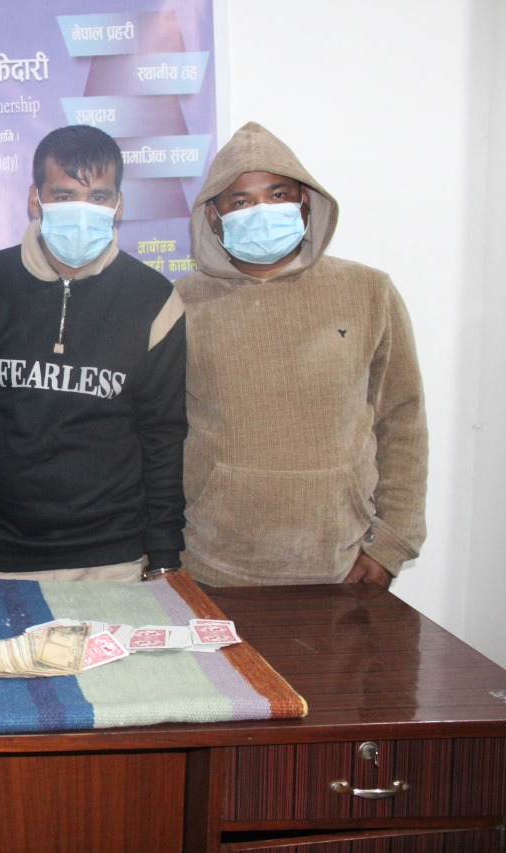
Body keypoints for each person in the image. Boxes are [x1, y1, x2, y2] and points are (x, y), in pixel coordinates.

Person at [0, 125, 187, 584]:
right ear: (35, 199)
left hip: (114, 559)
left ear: (119, 205)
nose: (82, 210)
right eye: (64, 196)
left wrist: (163, 552)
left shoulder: (154, 299)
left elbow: (162, 435)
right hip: (1, 554)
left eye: (99, 197)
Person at [175, 122, 427, 587]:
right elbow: (158, 433)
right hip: (213, 563)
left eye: (278, 194)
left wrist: (390, 544)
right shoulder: (180, 304)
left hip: (342, 564)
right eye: (241, 202)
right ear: (213, 216)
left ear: (305, 201)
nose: (262, 210)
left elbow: (402, 419)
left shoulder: (368, 291)